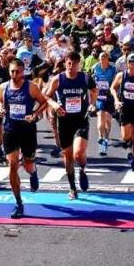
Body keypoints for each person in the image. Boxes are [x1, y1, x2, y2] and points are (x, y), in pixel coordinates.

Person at [0, 57, 48, 219]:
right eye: (11, 71)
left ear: (23, 72)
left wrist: (35, 114)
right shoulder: (3, 87)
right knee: (12, 165)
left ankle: (33, 172)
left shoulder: (31, 87)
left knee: (28, 164)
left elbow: (44, 102)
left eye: (17, 72)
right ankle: (18, 203)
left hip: (27, 130)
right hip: (10, 130)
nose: (14, 75)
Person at [42, 51, 96, 199]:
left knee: (78, 154)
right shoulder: (58, 79)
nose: (71, 66)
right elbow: (46, 96)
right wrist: (54, 105)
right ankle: (72, 187)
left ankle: (82, 170)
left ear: (79, 65)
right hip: (64, 121)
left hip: (81, 119)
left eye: (74, 64)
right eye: (69, 63)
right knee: (68, 156)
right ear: (65, 63)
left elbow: (94, 90)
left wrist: (92, 103)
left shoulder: (85, 78)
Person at [91, 48, 117, 156]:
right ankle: (101, 137)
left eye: (105, 58)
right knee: (100, 116)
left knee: (108, 119)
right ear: (99, 59)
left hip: (109, 96)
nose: (103, 59)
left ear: (108, 59)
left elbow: (115, 82)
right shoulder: (95, 68)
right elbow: (91, 82)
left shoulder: (113, 69)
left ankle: (106, 138)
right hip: (99, 96)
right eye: (101, 58)